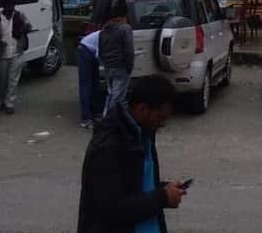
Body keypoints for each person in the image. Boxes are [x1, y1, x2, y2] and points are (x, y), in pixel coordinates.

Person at [77, 75, 187, 233]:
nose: (162, 124)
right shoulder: (108, 146)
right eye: (160, 117)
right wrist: (162, 197)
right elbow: (112, 210)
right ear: (142, 109)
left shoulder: (144, 133)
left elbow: (137, 184)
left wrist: (164, 189)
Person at [0, 0, 31, 114]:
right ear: (4, 7)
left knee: (13, 80)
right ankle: (3, 100)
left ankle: (10, 103)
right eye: (8, 7)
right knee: (3, 81)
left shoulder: (20, 16)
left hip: (17, 52)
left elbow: (29, 26)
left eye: (12, 6)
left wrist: (24, 28)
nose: (10, 9)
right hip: (2, 53)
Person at [99, 0, 134, 116]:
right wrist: (130, 66)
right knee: (118, 98)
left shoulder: (105, 29)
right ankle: (110, 119)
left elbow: (101, 49)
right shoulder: (125, 29)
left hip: (109, 66)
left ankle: (107, 117)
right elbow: (129, 50)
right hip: (121, 67)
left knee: (111, 94)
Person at [77, 29, 103, 129]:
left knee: (95, 83)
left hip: (89, 49)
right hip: (85, 50)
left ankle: (96, 112)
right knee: (85, 85)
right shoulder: (106, 37)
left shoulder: (109, 34)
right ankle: (86, 119)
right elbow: (99, 55)